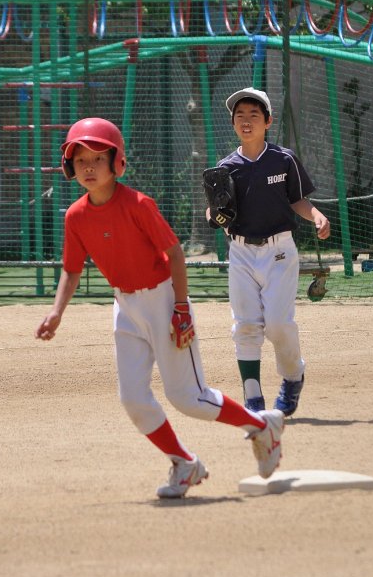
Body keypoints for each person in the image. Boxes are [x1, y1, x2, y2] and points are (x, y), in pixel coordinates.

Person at [35, 117, 284, 500]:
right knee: (133, 399)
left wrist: (180, 308)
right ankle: (184, 463)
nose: (88, 167)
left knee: (188, 397)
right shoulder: (76, 216)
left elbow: (174, 254)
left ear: (116, 162)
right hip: (125, 306)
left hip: (163, 301)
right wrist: (56, 312)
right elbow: (71, 269)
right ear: (69, 166)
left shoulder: (138, 204)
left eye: (97, 158)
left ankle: (261, 426)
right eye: (80, 159)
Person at [208, 88, 331, 415]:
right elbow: (216, 211)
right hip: (241, 252)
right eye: (240, 116)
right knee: (245, 325)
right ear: (233, 123)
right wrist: (213, 213)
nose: (246, 121)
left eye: (254, 115)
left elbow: (297, 200)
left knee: (277, 324)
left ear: (268, 121)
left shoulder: (283, 159)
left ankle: (293, 377)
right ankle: (253, 399)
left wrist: (317, 215)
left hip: (279, 251)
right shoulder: (225, 167)